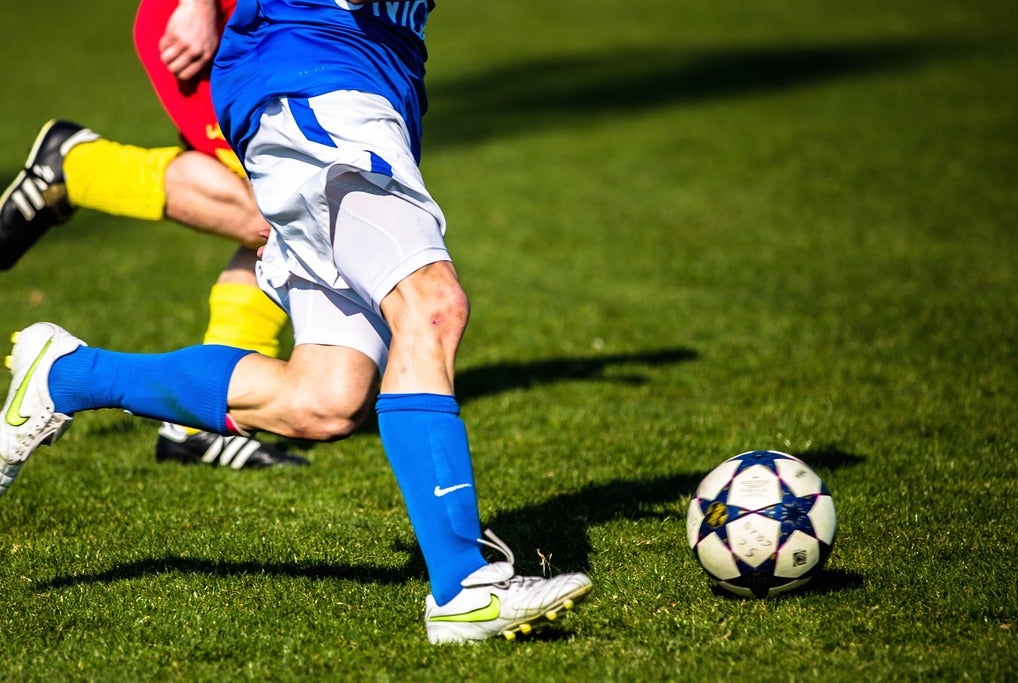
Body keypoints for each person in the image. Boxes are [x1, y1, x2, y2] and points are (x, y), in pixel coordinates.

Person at [0, 0, 593, 643]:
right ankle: (462, 587)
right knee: (432, 304)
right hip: (314, 76)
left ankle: (67, 376)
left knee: (325, 398)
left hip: (364, 89)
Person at [0, 0, 306, 468]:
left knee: (293, 218)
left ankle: (199, 423)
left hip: (277, 31)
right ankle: (78, 167)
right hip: (214, 22)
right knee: (279, 213)